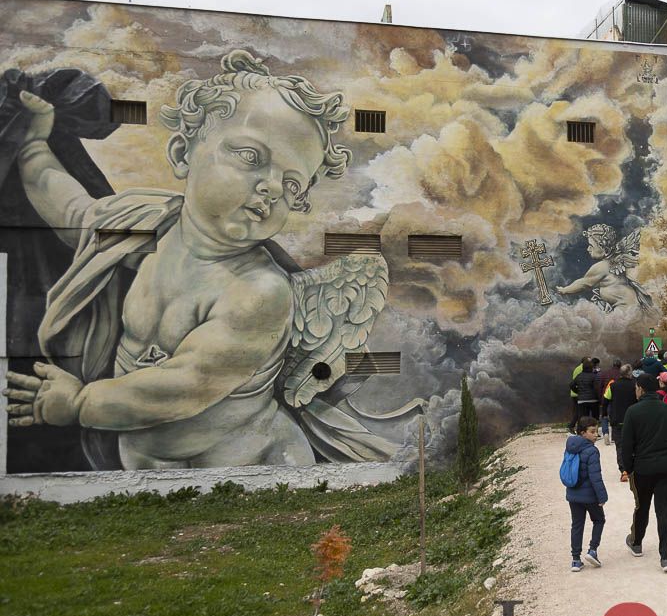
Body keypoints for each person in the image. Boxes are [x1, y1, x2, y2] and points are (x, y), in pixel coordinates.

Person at [3, 51, 400, 469]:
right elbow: (70, 209)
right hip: (149, 463)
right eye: (251, 157)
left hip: (257, 466)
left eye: (291, 183)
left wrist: (80, 402)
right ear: (182, 153)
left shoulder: (258, 291)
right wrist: (31, 146)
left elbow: (188, 385)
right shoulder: (146, 226)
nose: (270, 188)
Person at [622, 373, 667, 572]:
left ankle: (637, 542)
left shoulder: (632, 411)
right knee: (665, 511)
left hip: (642, 468)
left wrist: (628, 468)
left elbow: (627, 444)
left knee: (642, 506)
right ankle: (666, 557)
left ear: (640, 388)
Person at [563, 417, 608, 572]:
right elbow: (596, 477)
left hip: (573, 494)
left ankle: (575, 560)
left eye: (597, 431)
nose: (596, 434)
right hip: (589, 496)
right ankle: (592, 550)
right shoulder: (592, 450)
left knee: (577, 525)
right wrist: (602, 497)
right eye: (592, 431)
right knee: (599, 520)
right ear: (583, 433)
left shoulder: (570, 447)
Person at [605, 364, 638, 482]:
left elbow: (605, 400)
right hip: (633, 420)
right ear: (630, 373)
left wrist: (605, 414)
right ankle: (633, 469)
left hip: (617, 420)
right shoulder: (635, 385)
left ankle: (624, 470)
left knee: (620, 446)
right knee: (634, 444)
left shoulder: (612, 385)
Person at [598, 359, 622, 445]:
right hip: (617, 398)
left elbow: (600, 386)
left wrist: (600, 398)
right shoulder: (621, 374)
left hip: (606, 396)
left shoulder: (605, 373)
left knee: (604, 416)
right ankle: (614, 437)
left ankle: (605, 433)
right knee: (614, 416)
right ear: (620, 366)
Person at [567, 355, 588, 430]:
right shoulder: (583, 368)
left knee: (578, 411)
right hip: (578, 393)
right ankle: (574, 426)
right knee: (580, 411)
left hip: (574, 393)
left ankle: (575, 426)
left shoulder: (577, 368)